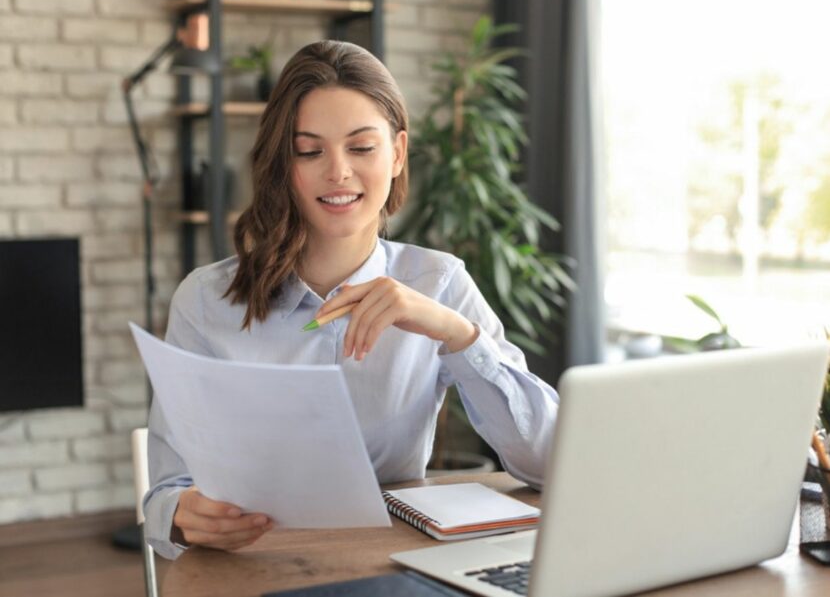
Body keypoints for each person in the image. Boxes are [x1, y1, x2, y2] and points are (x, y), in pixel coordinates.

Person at [144, 40, 559, 560]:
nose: (338, 171)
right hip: (255, 565)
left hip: (393, 563)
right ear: (282, 163)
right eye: (309, 150)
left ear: (398, 153)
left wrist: (456, 334)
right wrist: (185, 514)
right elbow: (165, 496)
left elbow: (551, 462)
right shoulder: (206, 301)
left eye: (361, 148)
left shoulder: (439, 281)